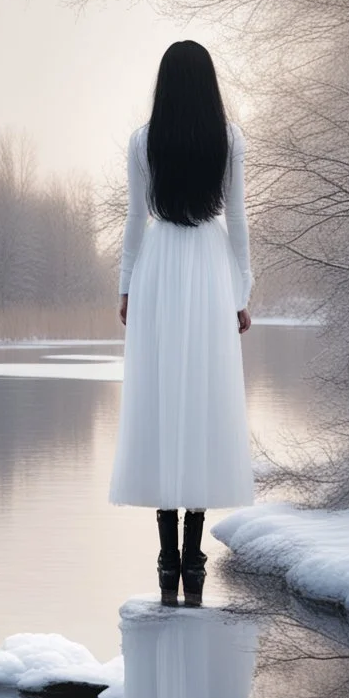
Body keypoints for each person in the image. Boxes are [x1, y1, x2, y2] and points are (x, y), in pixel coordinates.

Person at [108, 41, 255, 605]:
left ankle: (166, 550)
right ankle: (195, 554)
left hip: (160, 268)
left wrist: (126, 288)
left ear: (164, 84)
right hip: (210, 269)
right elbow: (238, 220)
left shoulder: (144, 140)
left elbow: (134, 221)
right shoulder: (230, 138)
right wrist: (241, 292)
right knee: (205, 401)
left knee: (164, 399)